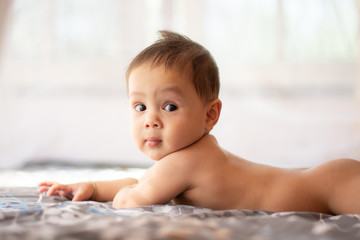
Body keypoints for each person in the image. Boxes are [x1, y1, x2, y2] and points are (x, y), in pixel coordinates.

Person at [38, 30, 360, 215]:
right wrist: (93, 188)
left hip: (328, 188)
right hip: (324, 180)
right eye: (139, 106)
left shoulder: (184, 163)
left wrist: (117, 199)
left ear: (210, 115)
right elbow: (146, 180)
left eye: (169, 106)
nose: (151, 120)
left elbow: (135, 197)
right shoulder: (188, 158)